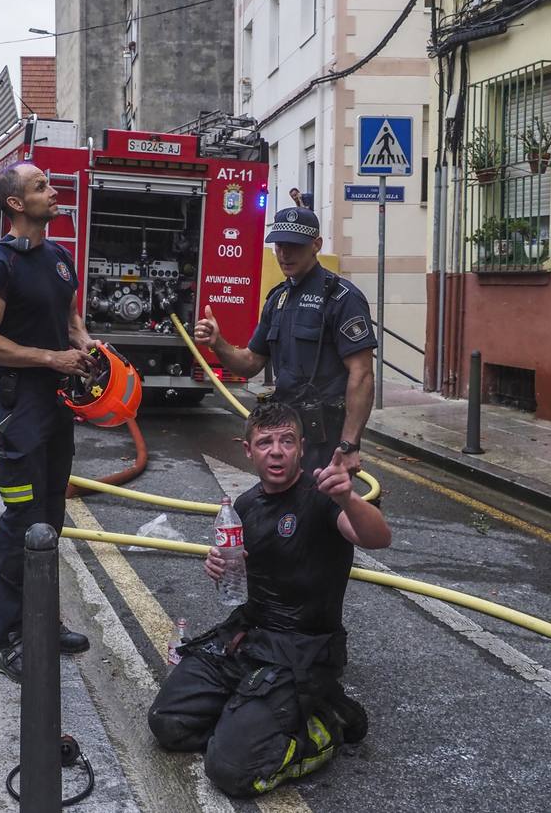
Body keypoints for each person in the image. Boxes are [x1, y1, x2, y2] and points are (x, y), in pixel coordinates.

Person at [148, 402, 391, 797]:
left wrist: (349, 498)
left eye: (286, 441)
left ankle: (328, 721)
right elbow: (241, 575)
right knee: (168, 723)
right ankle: (250, 713)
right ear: (248, 450)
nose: (276, 451)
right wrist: (219, 568)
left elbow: (377, 537)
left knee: (230, 771)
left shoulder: (324, 497)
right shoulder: (244, 506)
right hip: (249, 639)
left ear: (300, 447)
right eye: (265, 442)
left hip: (303, 650)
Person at [0, 162, 95, 682]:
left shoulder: (60, 258)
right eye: (41, 185)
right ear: (16, 204)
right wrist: (51, 359)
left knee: (51, 520)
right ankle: (5, 639)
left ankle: (42, 622)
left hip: (58, 409)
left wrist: (84, 346)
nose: (53, 189)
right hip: (22, 409)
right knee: (22, 523)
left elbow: (70, 321)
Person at [193, 205, 375, 478]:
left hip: (325, 438)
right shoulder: (278, 298)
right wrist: (218, 343)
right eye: (279, 245)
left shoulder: (342, 298)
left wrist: (349, 445)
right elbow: (250, 363)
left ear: (316, 245)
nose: (284, 253)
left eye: (295, 245)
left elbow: (361, 374)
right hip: (285, 432)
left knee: (321, 515)